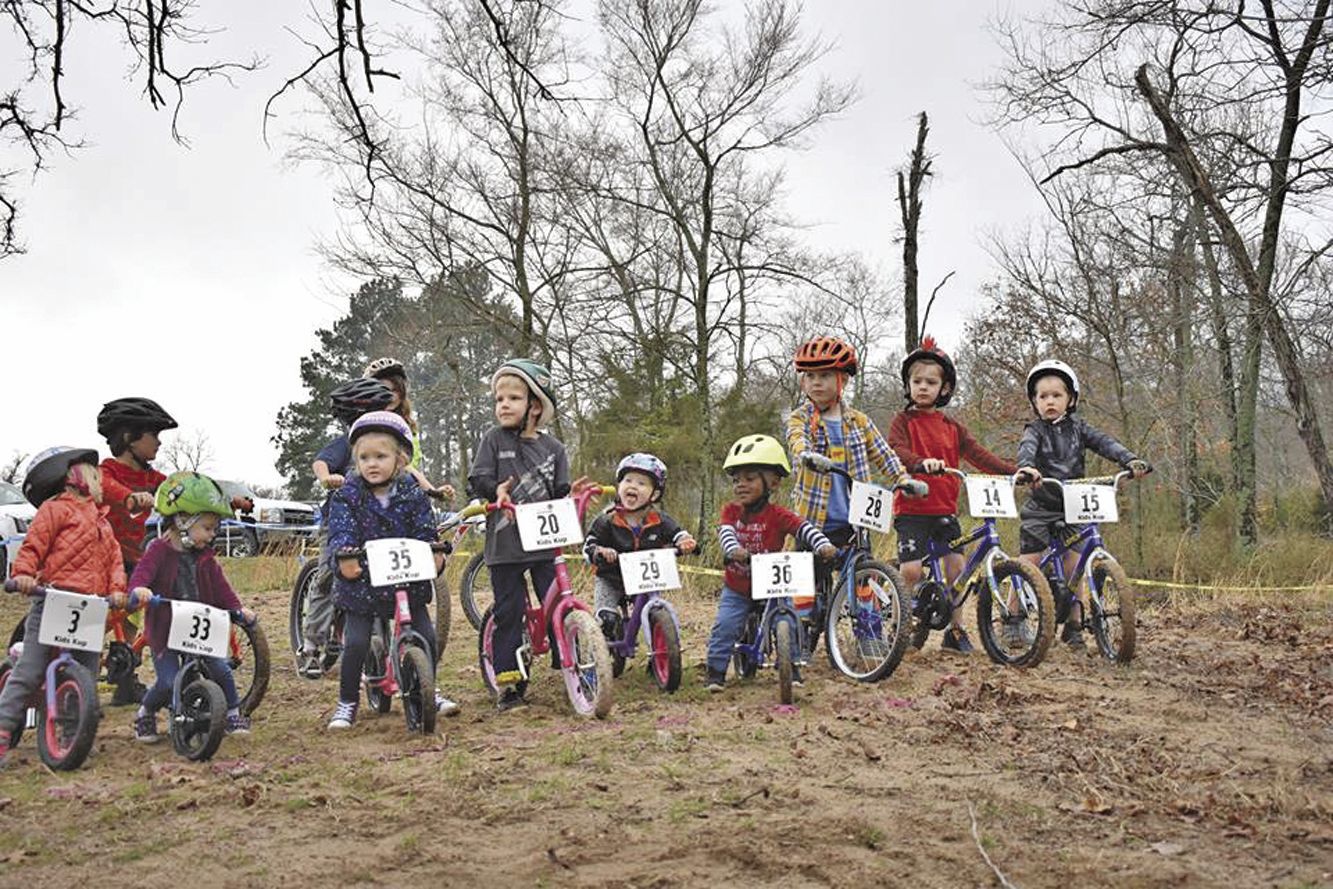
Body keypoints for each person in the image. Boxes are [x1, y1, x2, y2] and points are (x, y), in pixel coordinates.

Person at [325, 411, 460, 729]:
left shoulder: (413, 495)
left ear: (400, 460)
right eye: (364, 457)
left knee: (425, 635)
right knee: (357, 642)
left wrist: (435, 550)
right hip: (362, 584)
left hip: (407, 583)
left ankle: (429, 688)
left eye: (380, 456)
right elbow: (341, 532)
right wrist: (345, 555)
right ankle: (347, 702)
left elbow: (426, 529)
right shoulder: (347, 495)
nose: (372, 464)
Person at [888, 336, 1017, 654]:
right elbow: (895, 450)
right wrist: (919, 463)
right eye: (916, 381)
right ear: (908, 384)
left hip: (944, 510)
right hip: (912, 510)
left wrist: (1014, 471)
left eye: (930, 382)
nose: (922, 387)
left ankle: (956, 631)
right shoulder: (903, 421)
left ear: (944, 389)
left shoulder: (952, 427)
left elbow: (980, 455)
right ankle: (897, 625)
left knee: (958, 570)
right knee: (911, 571)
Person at [0, 447, 128, 766]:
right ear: (72, 477)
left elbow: (114, 561)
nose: (99, 479)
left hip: (90, 608)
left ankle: (72, 732)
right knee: (29, 670)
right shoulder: (54, 510)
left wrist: (117, 590)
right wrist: (25, 575)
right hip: (54, 599)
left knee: (86, 669)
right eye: (93, 473)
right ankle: (2, 729)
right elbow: (33, 546)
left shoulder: (102, 521)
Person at [1014, 360, 1150, 650]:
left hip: (1073, 503)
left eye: (1056, 395)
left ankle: (1074, 625)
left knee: (1075, 563)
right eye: (1042, 396)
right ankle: (1013, 618)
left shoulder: (1079, 428)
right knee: (1030, 562)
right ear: (1035, 402)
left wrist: (1129, 460)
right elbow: (1026, 450)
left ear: (1071, 399)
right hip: (1041, 505)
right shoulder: (1034, 430)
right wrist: (1028, 469)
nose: (1049, 401)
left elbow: (1105, 443)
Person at [785, 336, 911, 630]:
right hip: (813, 518)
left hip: (855, 518)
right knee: (805, 584)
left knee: (863, 577)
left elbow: (884, 455)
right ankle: (798, 636)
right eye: (811, 376)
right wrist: (804, 454)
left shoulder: (859, 421)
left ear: (842, 379)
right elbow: (795, 439)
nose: (817, 382)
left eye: (825, 375)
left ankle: (870, 634)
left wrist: (903, 478)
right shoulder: (799, 418)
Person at [466, 359, 570, 712]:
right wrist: (495, 490)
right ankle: (508, 682)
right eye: (499, 399)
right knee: (509, 611)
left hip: (543, 543)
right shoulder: (493, 440)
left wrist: (574, 499)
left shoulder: (554, 448)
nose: (504, 405)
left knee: (556, 599)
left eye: (513, 397)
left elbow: (561, 490)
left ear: (535, 406)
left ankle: (567, 655)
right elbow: (477, 479)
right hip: (505, 545)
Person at [130, 472, 256, 741]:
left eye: (214, 529)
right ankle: (146, 712)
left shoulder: (205, 557)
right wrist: (140, 589)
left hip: (197, 625)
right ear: (183, 521)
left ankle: (233, 712)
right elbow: (142, 574)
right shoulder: (158, 550)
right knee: (167, 680)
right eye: (208, 528)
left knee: (220, 668)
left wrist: (237, 608)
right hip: (165, 629)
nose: (212, 535)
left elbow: (221, 587)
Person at [705, 434, 836, 692]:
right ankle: (715, 672)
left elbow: (803, 528)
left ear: (773, 483)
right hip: (738, 586)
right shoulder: (731, 511)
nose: (741, 485)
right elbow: (726, 532)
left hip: (772, 585)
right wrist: (733, 550)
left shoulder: (778, 515)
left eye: (750, 478)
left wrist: (822, 545)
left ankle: (793, 666)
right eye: (736, 480)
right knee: (726, 625)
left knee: (789, 619)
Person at [297, 377, 396, 678]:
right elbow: (320, 462)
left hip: (377, 523)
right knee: (328, 580)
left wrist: (428, 488)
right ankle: (311, 647)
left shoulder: (386, 447)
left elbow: (408, 469)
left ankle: (385, 645)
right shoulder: (346, 445)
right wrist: (327, 477)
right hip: (340, 524)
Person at [584, 453, 697, 642]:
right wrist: (599, 552)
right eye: (628, 480)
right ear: (619, 486)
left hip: (643, 582)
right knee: (607, 619)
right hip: (611, 578)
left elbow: (677, 533)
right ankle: (601, 654)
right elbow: (589, 545)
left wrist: (685, 541)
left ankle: (659, 659)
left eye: (642, 483)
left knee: (655, 613)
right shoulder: (607, 519)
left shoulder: (659, 519)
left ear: (655, 494)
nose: (633, 486)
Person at [96, 397, 178, 572]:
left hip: (136, 559)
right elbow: (105, 484)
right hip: (104, 560)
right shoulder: (107, 471)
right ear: (129, 438)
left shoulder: (152, 478)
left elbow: (181, 490)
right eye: (154, 435)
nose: (159, 442)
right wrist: (128, 497)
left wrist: (226, 502)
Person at [363, 357, 455, 502]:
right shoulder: (368, 427)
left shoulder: (406, 426)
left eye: (395, 390)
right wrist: (431, 491)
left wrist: (430, 490)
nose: (390, 396)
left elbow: (410, 468)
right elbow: (403, 466)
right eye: (384, 390)